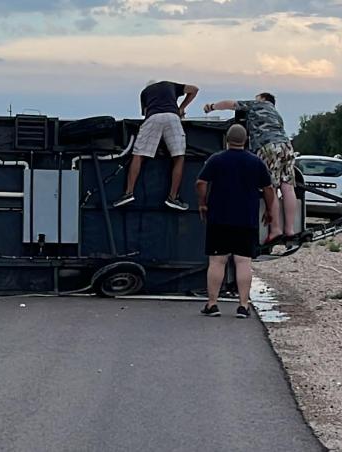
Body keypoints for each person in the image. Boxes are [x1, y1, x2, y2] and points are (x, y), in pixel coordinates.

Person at [195, 124, 277, 318]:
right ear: (246, 140)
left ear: (227, 140)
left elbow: (200, 182)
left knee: (217, 261)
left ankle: (212, 304)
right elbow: (268, 188)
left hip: (219, 217)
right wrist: (269, 210)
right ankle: (243, 305)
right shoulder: (256, 162)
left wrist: (202, 203)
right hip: (246, 219)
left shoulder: (216, 160)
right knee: (243, 262)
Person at [203, 93, 296, 244]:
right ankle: (290, 230)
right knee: (287, 187)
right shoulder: (276, 115)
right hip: (286, 146)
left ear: (263, 99)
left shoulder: (257, 105)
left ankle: (275, 230)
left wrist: (212, 107)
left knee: (270, 187)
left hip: (268, 147)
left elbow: (230, 103)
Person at [114, 80, 199, 211]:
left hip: (153, 117)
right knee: (179, 157)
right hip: (172, 117)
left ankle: (128, 193)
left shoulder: (145, 92)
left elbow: (145, 113)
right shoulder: (170, 85)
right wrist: (181, 108)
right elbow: (194, 89)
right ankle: (173, 197)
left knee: (138, 155)